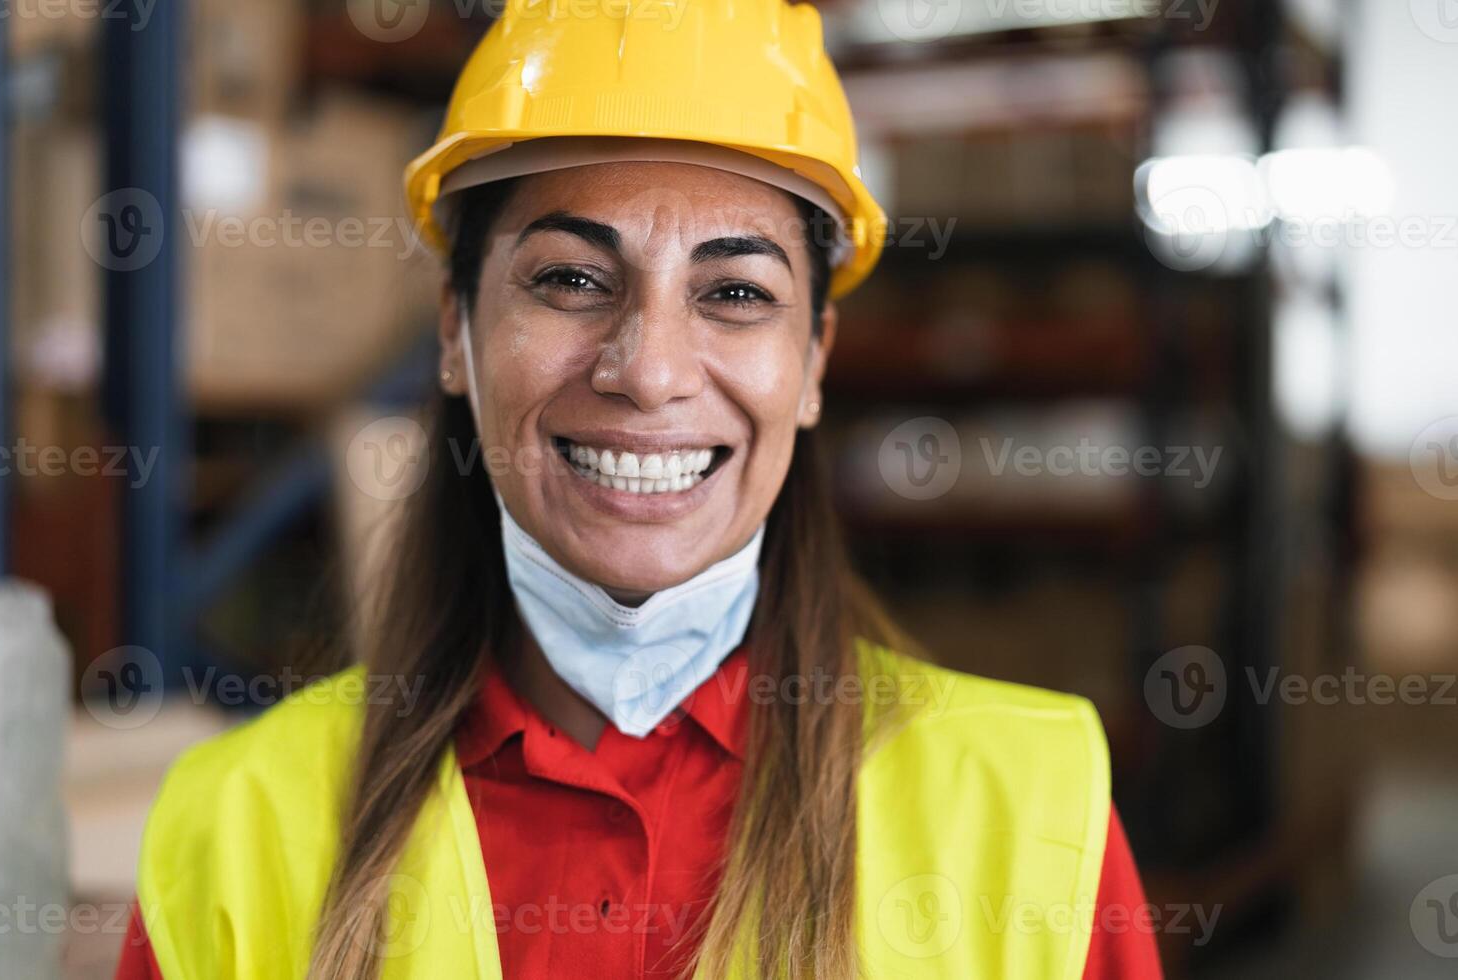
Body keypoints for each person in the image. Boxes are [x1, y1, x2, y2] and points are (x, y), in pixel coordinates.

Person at [115, 1, 1163, 977]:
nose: (650, 369)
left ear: (812, 362)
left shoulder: (1031, 814)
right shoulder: (232, 833)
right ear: (453, 330)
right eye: (571, 278)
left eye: (736, 292)